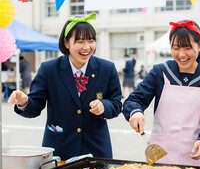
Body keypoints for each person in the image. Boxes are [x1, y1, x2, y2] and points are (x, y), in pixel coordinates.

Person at [8, 13, 122, 160]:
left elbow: (117, 104)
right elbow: (35, 107)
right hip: (59, 150)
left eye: (91, 41)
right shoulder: (49, 69)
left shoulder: (107, 68)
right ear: (66, 43)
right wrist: (24, 102)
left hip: (96, 150)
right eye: (80, 41)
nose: (86, 47)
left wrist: (104, 106)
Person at [123, 20, 200, 167]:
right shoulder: (160, 72)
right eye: (176, 48)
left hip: (198, 158)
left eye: (187, 48)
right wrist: (135, 112)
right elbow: (134, 99)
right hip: (161, 156)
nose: (181, 54)